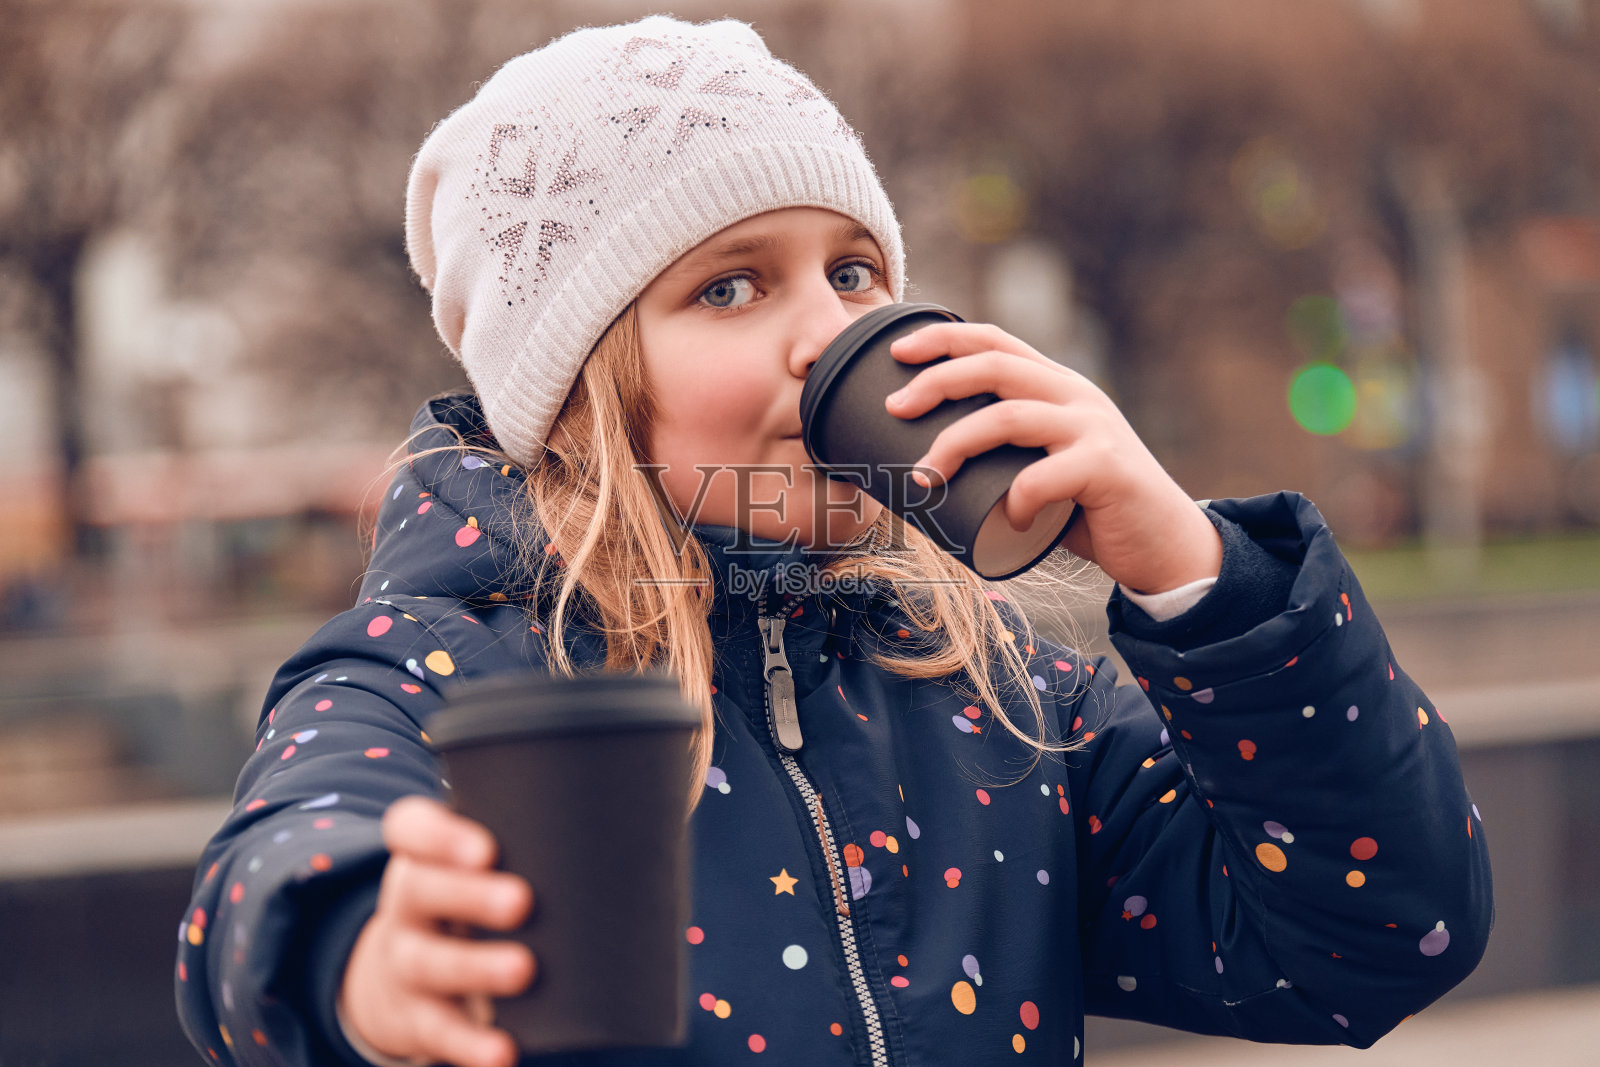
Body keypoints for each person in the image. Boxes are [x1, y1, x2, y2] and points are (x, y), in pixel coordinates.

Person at [174, 15, 1492, 1067]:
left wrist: (1201, 579)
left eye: (853, 273)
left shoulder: (996, 696)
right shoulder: (442, 669)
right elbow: (274, 869)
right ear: (577, 392)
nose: (829, 333)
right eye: (731, 286)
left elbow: (1379, 936)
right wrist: (361, 954)